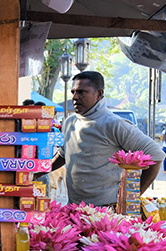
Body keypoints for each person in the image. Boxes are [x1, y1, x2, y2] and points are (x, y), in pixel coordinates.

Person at [51, 71, 164, 206]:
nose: (75, 97)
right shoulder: (69, 122)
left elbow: (156, 155)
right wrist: (37, 173)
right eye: (73, 92)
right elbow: (65, 154)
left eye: (82, 92)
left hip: (107, 211)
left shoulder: (114, 124)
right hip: (74, 208)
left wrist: (132, 196)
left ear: (99, 94)